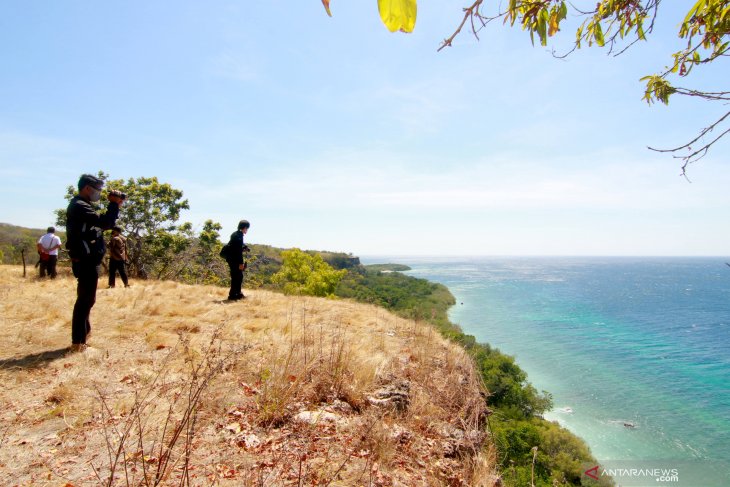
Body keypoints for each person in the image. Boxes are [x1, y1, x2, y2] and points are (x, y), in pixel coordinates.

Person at [66, 174, 125, 351]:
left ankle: (85, 333)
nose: (99, 193)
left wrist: (116, 204)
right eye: (97, 189)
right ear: (86, 188)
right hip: (85, 259)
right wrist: (113, 204)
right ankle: (78, 341)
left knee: (86, 298)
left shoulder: (83, 205)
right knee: (85, 299)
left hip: (88, 258)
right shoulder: (79, 206)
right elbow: (105, 222)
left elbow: (100, 223)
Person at [225, 219, 251, 300]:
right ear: (244, 227)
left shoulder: (236, 234)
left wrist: (244, 247)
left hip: (231, 259)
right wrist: (241, 263)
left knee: (236, 276)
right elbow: (237, 251)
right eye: (247, 228)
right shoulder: (239, 236)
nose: (247, 230)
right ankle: (235, 295)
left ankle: (235, 294)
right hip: (235, 260)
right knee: (238, 277)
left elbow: (237, 247)